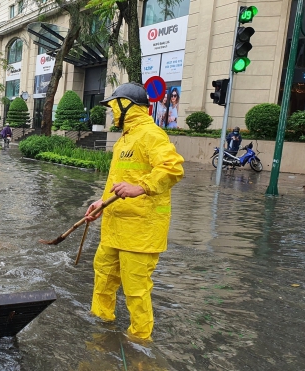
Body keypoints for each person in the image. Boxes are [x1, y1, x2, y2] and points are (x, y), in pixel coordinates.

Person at [83, 83, 184, 341]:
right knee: (103, 276)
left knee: (136, 289)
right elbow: (120, 181)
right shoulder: (125, 140)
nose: (112, 111)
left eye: (114, 105)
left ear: (127, 104)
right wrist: (101, 203)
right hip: (114, 228)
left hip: (141, 233)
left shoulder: (152, 134)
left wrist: (141, 187)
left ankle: (140, 343)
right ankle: (100, 326)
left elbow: (172, 169)